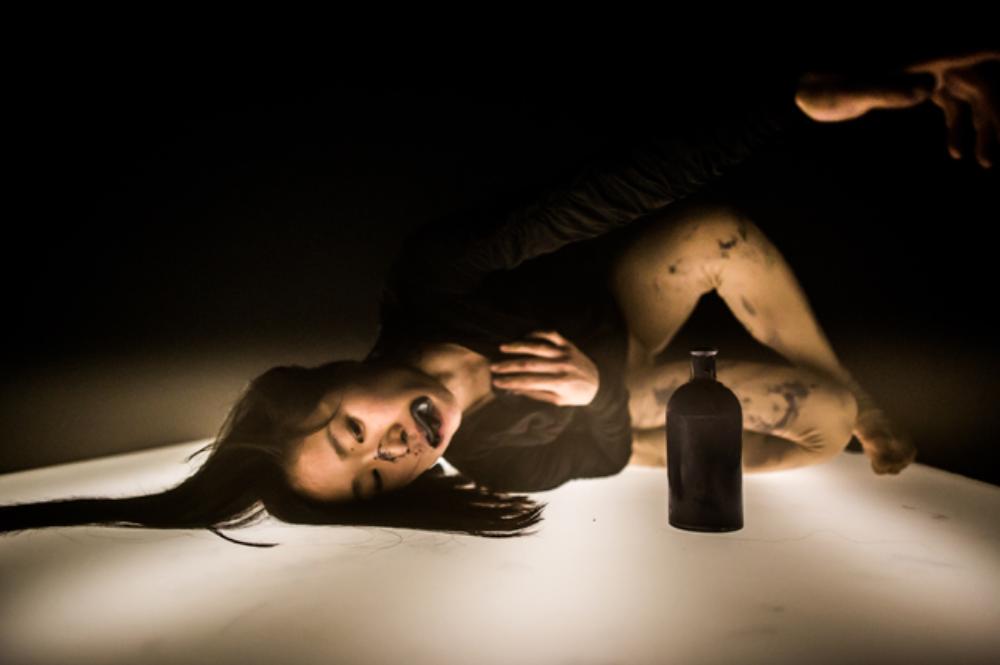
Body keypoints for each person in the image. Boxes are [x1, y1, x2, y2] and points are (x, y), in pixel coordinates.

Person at [2, 50, 996, 547]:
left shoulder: (436, 276)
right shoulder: (491, 453)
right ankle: (831, 408)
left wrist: (791, 103)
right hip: (616, 412)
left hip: (618, 312)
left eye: (352, 429)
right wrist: (595, 394)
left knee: (716, 229)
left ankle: (857, 390)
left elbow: (604, 191)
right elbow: (590, 455)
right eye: (376, 477)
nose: (392, 448)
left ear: (334, 372)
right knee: (819, 428)